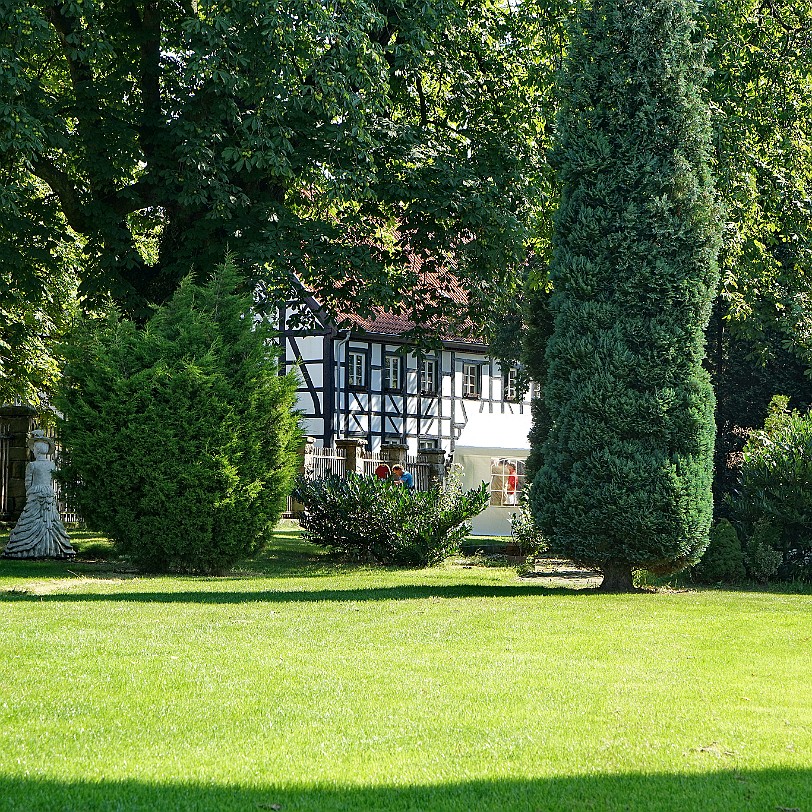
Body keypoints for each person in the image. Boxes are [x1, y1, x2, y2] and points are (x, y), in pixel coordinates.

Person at [3, 430, 75, 559]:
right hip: (47, 492)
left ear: (36, 450)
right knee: (49, 519)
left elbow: (28, 482)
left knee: (33, 517)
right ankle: (52, 548)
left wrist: (29, 493)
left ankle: (27, 549)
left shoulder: (32, 465)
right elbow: (54, 480)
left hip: (35, 492)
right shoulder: (51, 464)